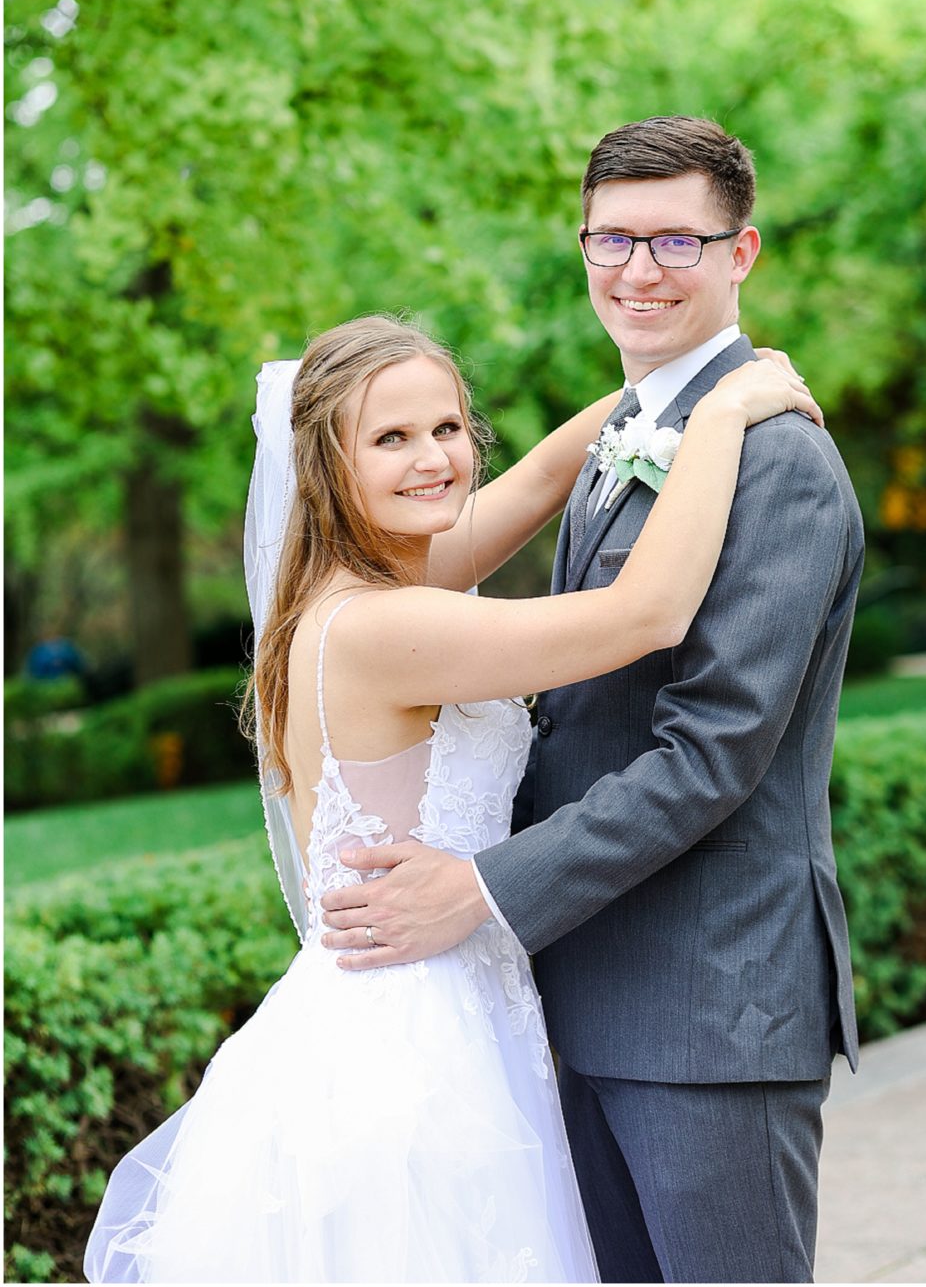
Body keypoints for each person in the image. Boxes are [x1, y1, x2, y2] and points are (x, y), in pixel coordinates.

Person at [84, 310, 818, 1284]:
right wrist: (725, 414)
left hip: (447, 1002)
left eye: (447, 427)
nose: (433, 458)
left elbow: (537, 481)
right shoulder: (384, 627)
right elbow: (648, 611)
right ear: (323, 464)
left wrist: (669, 385)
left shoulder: (362, 583)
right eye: (390, 438)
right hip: (413, 1052)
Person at [321, 117, 865, 1285]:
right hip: (565, 986)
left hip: (705, 1009)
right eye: (611, 239)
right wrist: (665, 410)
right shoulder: (631, 434)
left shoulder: (778, 460)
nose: (637, 270)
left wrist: (481, 887)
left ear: (742, 252)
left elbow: (712, 753)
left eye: (676, 241)